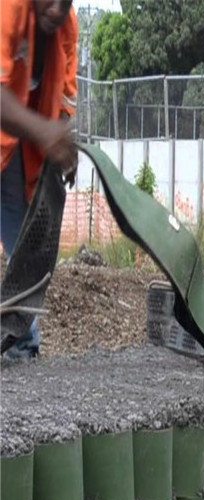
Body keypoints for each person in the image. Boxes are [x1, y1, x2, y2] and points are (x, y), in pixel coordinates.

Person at [1, 0, 79, 359]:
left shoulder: (66, 27)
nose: (55, 9)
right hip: (16, 134)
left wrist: (63, 140)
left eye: (66, 2)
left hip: (14, 147)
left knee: (25, 245)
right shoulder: (9, 8)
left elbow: (65, 95)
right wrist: (44, 133)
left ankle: (21, 345)